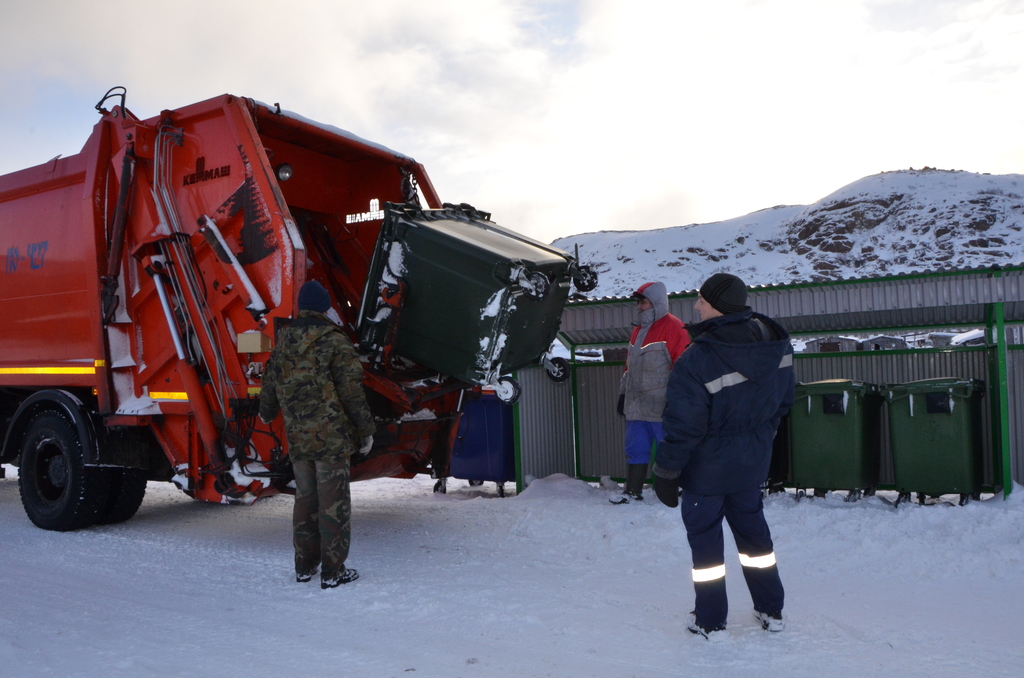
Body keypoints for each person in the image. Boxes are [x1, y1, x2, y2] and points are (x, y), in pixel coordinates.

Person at [652, 273, 794, 640]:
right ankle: (771, 609)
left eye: (701, 299)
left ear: (717, 305)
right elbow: (783, 403)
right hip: (750, 465)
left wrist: (666, 470)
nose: (696, 306)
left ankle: (710, 621)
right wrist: (760, 439)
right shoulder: (773, 344)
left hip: (706, 473)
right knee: (756, 542)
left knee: (707, 551)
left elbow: (684, 426)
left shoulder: (697, 359)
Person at [260, 280, 376, 589]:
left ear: (301, 307)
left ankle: (304, 566)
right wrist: (366, 431)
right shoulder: (334, 341)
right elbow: (352, 393)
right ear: (325, 307)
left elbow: (269, 388)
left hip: (299, 441)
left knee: (306, 501)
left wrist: (266, 412)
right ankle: (333, 572)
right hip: (332, 441)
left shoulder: (283, 342)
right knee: (333, 505)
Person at [611, 281, 690, 504]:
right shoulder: (638, 330)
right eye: (638, 302)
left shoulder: (674, 328)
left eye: (643, 302)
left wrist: (674, 400)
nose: (639, 307)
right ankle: (632, 491)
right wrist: (623, 394)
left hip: (661, 405)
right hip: (636, 405)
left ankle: (675, 493)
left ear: (655, 302)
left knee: (669, 449)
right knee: (635, 448)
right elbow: (629, 367)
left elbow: (682, 368)